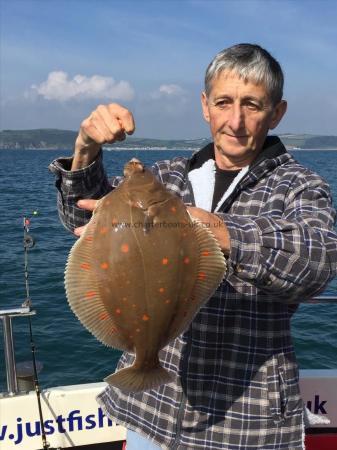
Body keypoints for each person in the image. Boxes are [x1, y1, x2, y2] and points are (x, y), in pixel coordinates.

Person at [49, 43, 337, 449]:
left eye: (252, 105)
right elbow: (82, 219)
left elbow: (318, 261)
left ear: (277, 112)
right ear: (205, 106)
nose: (235, 121)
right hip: (150, 410)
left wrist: (219, 232)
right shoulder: (164, 177)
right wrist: (85, 150)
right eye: (223, 102)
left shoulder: (300, 186)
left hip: (246, 423)